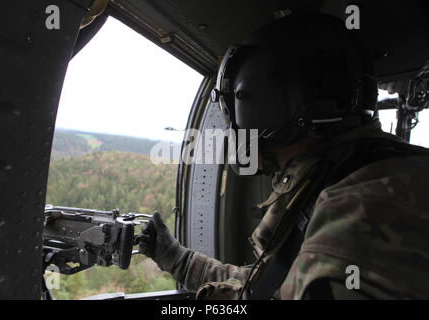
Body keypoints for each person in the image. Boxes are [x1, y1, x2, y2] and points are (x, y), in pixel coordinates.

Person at [137, 13, 429, 299]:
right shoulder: (362, 177)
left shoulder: (358, 210)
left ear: (269, 104)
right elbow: (268, 284)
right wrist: (179, 260)